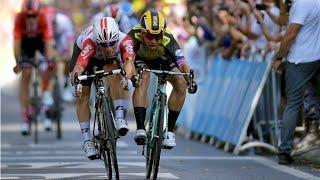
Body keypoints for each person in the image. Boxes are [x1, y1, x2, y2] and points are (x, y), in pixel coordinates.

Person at [123, 9, 197, 149]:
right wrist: (131, 77)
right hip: (140, 60)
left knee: (180, 81)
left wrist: (190, 80)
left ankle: (169, 132)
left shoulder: (167, 38)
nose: (154, 41)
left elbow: (182, 62)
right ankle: (140, 129)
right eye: (150, 36)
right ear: (142, 33)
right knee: (143, 77)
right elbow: (128, 62)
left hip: (162, 60)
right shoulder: (133, 36)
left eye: (158, 37)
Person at [69, 17, 135, 159]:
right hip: (86, 56)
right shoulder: (90, 42)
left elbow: (129, 63)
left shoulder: (125, 40)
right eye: (104, 45)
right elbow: (80, 65)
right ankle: (87, 140)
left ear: (117, 37)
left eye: (112, 44)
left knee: (115, 71)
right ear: (98, 41)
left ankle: (119, 116)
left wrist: (127, 78)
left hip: (107, 61)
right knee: (83, 95)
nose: (109, 48)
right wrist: (76, 80)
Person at [272, 0, 320, 165]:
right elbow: (285, 22)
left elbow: (291, 33)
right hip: (317, 57)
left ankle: (284, 151)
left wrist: (279, 57)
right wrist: (285, 9)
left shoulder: (301, 4)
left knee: (292, 104)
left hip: (299, 59)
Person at [13, 0, 56, 135]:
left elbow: (48, 41)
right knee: (25, 73)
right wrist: (18, 62)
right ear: (24, 15)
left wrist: (49, 61)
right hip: (26, 44)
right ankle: (25, 116)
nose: (31, 18)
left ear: (39, 14)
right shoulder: (19, 18)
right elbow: (17, 43)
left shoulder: (43, 17)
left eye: (34, 16)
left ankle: (46, 96)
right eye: (28, 16)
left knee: (50, 66)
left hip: (40, 42)